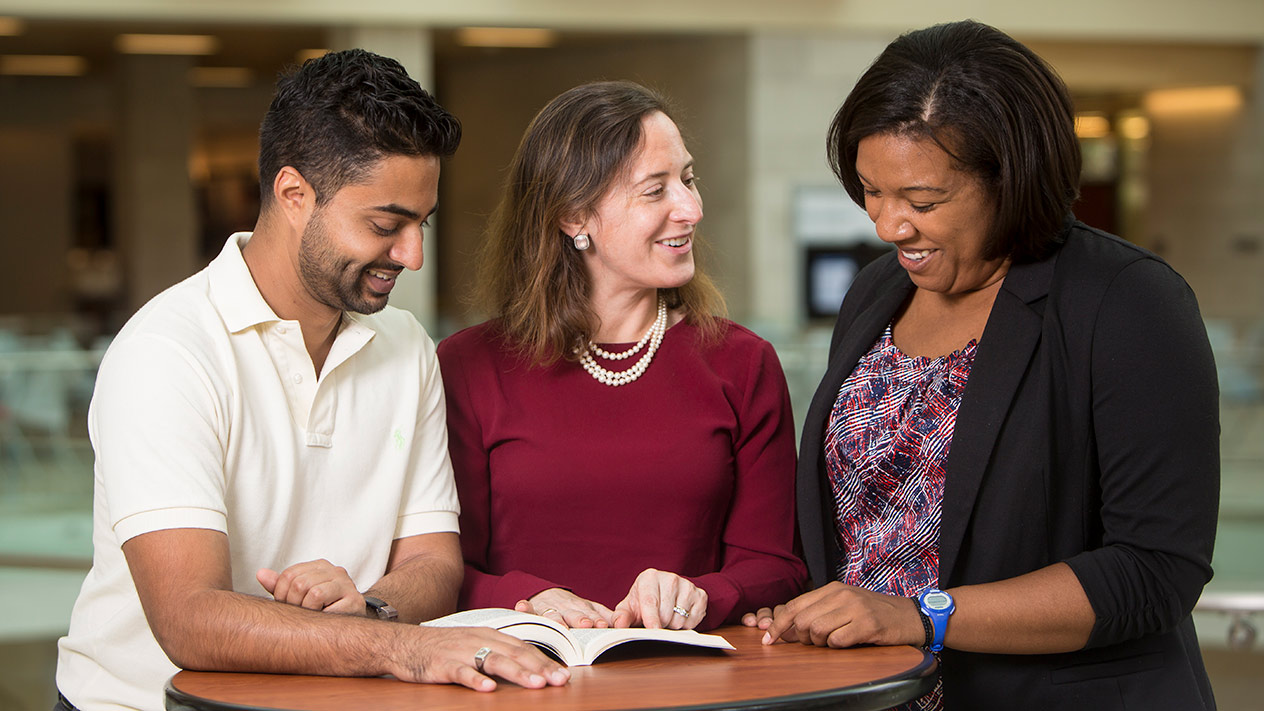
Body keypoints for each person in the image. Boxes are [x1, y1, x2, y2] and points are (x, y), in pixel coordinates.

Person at [54, 49, 568, 711]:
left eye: (422, 224)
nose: (412, 256)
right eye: (386, 225)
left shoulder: (407, 346)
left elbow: (435, 565)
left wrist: (371, 607)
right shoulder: (167, 351)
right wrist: (403, 648)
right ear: (295, 195)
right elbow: (189, 616)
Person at [743, 20, 1219, 710]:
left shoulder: (1127, 300)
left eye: (923, 202)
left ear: (1012, 177)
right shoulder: (879, 289)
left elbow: (1155, 569)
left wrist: (923, 615)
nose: (887, 226)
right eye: (872, 191)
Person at [438, 80, 807, 632]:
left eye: (688, 179)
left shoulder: (743, 363)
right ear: (573, 216)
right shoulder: (468, 366)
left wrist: (700, 594)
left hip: (692, 679)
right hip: (523, 676)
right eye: (654, 190)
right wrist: (527, 599)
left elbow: (776, 564)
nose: (691, 208)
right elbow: (440, 569)